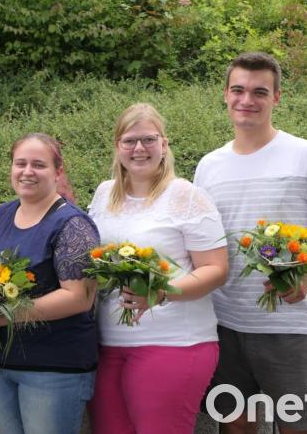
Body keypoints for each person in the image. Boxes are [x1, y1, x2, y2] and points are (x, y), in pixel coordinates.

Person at [193, 52, 307, 434]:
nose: (247, 100)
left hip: (289, 328)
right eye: (238, 90)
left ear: (277, 97)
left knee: (300, 429)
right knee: (236, 428)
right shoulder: (208, 165)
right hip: (223, 325)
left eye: (260, 91)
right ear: (225, 94)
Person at [85, 103, 229, 434]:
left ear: (164, 145)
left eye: (149, 139)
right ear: (117, 147)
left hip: (175, 342)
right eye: (129, 141)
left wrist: (162, 292)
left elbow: (216, 269)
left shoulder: (187, 196)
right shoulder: (105, 194)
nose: (139, 148)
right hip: (109, 344)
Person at [0, 133, 101, 434]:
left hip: (51, 369)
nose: (27, 171)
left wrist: (6, 316)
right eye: (20, 163)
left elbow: (79, 297)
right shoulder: (4, 213)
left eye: (39, 165)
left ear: (58, 172)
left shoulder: (73, 225)